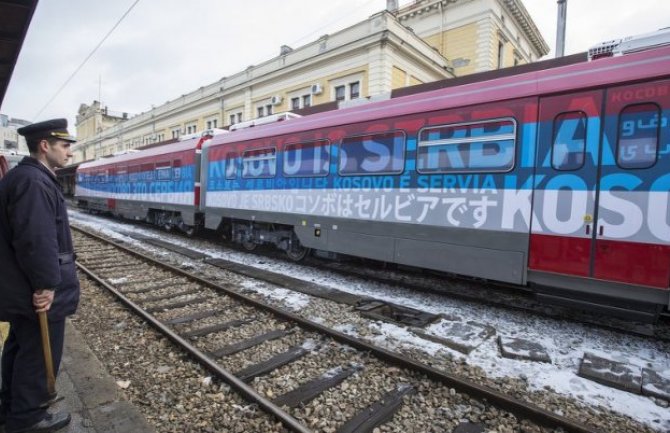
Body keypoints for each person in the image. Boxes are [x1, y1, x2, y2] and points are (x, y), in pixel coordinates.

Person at [0, 119, 80, 433]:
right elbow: (36, 239)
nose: (70, 153)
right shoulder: (34, 182)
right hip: (32, 289)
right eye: (64, 145)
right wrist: (46, 285)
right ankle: (28, 417)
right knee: (35, 352)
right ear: (45, 146)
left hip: (18, 286)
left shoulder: (25, 177)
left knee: (19, 347)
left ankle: (10, 407)